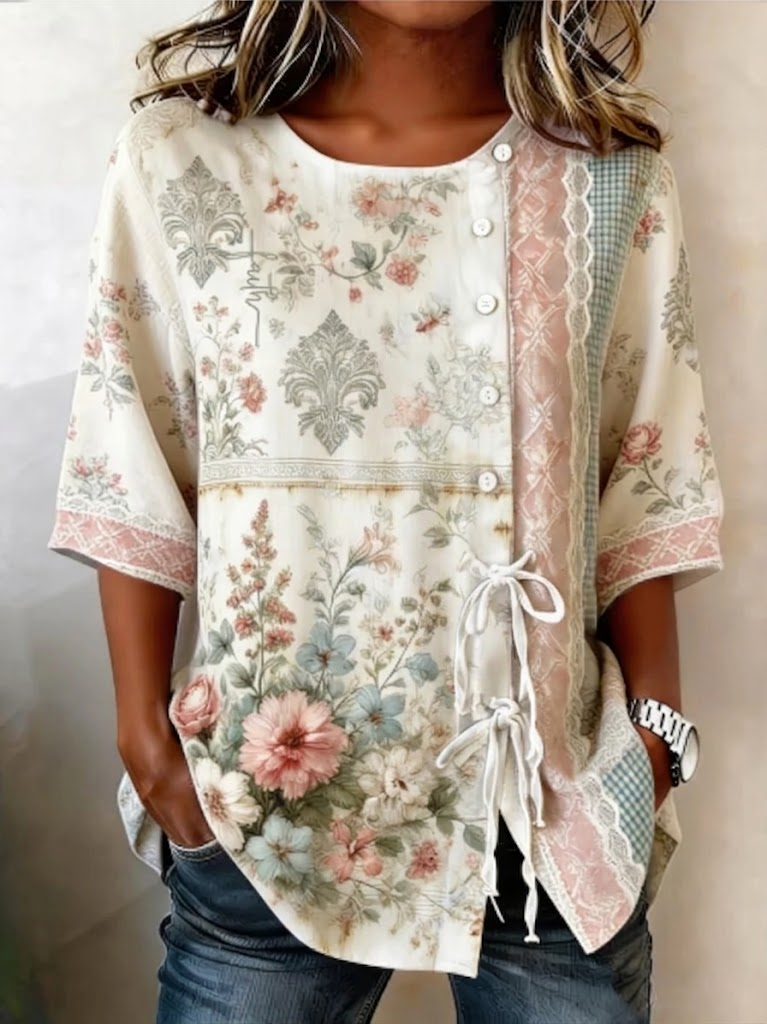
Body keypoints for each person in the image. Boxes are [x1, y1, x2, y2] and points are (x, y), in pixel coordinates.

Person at [49, 2, 723, 1021]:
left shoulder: (609, 175)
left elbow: (643, 468)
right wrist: (150, 752)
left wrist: (655, 741)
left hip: (553, 816)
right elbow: (130, 456)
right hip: (261, 820)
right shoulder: (180, 162)